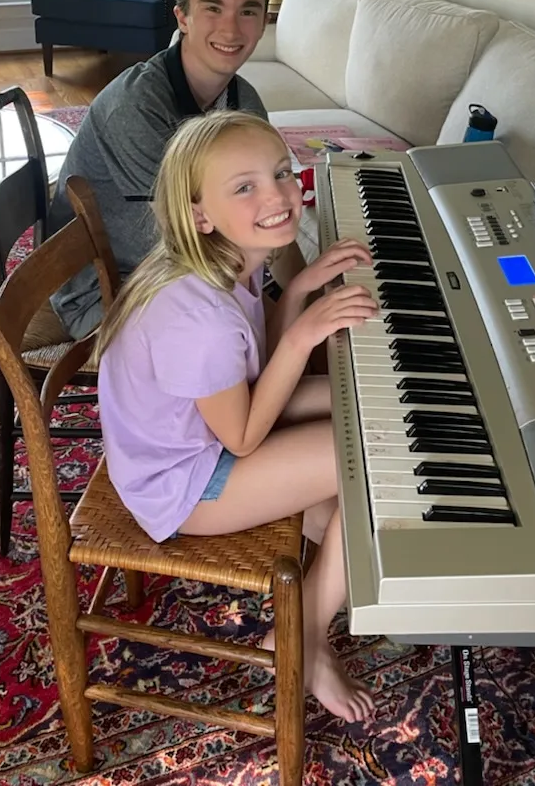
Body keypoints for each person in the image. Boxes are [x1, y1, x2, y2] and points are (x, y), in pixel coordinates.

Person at [94, 110, 378, 723]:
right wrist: (303, 334)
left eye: (281, 172)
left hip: (204, 435)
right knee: (370, 461)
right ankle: (301, 638)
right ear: (200, 214)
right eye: (244, 186)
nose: (277, 195)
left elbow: (255, 366)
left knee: (362, 405)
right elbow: (244, 437)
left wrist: (297, 293)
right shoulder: (199, 318)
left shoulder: (228, 262)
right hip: (183, 484)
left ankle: (337, 539)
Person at [49, 0, 297, 339]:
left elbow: (269, 214)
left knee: (318, 334)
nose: (231, 28)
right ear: (182, 17)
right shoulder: (136, 107)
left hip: (186, 271)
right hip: (110, 291)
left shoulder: (244, 101)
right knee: (281, 347)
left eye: (248, 11)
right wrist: (289, 313)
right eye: (213, 8)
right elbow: (192, 242)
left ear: (263, 21)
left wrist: (306, 289)